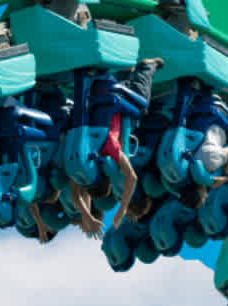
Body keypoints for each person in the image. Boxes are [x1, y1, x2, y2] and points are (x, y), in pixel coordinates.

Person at [70, 58, 163, 239]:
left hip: (112, 94)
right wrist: (86, 215)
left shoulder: (108, 151)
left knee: (141, 106)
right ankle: (127, 69)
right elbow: (76, 193)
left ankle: (147, 67)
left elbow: (132, 177)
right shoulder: (83, 155)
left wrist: (122, 209)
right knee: (129, 113)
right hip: (94, 93)